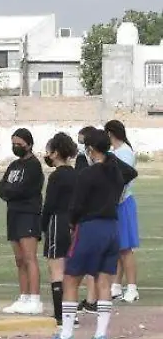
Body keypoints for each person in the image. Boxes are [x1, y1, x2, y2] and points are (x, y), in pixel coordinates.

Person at [46, 129, 137, 339]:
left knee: (71, 278)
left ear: (90, 149)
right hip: (111, 228)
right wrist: (110, 157)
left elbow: (76, 205)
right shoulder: (115, 171)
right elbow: (130, 173)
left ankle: (66, 333)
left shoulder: (86, 174)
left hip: (89, 227)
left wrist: (72, 223)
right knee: (104, 280)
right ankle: (100, 334)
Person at [0, 128, 44, 315]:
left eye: (19, 144)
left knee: (29, 257)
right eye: (13, 143)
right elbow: (2, 188)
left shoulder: (33, 166)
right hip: (13, 214)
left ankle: (35, 298)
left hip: (28, 214)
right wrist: (10, 192)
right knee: (19, 260)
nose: (16, 147)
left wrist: (11, 192)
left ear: (29, 144)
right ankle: (23, 297)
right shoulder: (14, 165)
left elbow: (24, 190)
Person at [41, 132, 79, 326]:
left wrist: (42, 225)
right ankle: (71, 312)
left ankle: (60, 315)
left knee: (56, 269)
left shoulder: (57, 176)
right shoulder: (76, 174)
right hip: (75, 223)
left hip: (58, 221)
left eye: (48, 151)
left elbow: (49, 204)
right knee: (70, 270)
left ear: (55, 153)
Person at [105, 120, 140, 303]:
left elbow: (122, 180)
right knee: (117, 247)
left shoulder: (125, 152)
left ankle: (132, 287)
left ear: (110, 133)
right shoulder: (113, 152)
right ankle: (116, 285)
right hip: (114, 203)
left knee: (125, 248)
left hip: (123, 202)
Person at [74, 126, 99, 313]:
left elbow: (79, 183)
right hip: (99, 215)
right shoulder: (107, 164)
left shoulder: (86, 161)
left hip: (90, 215)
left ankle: (91, 300)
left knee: (87, 259)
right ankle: (93, 299)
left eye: (82, 141)